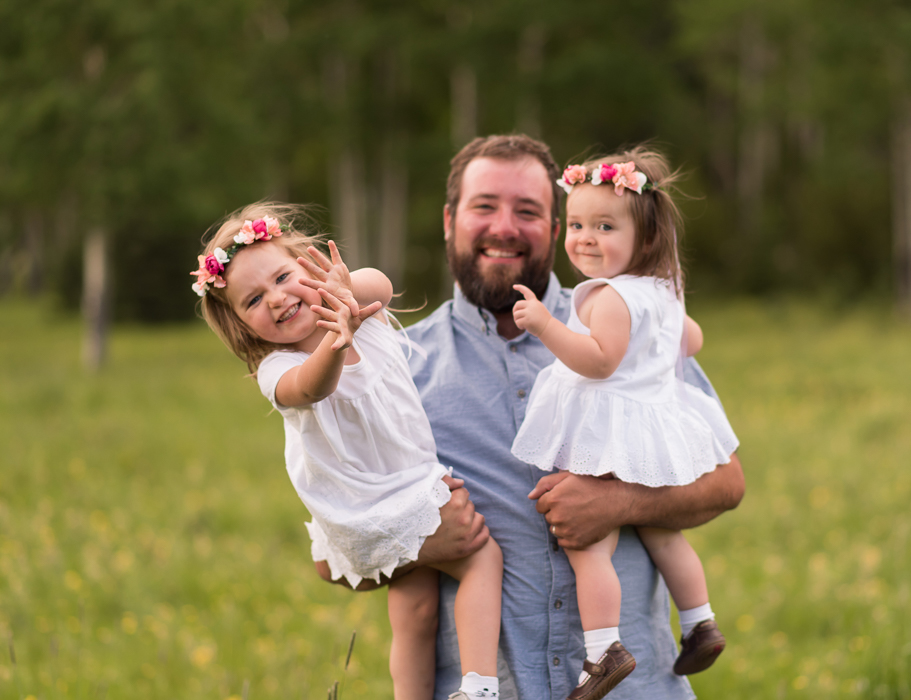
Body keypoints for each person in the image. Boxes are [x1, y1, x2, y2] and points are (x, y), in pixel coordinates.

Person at [406, 135, 745, 700]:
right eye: (484, 206)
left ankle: (618, 648)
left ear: (556, 228)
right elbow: (332, 549)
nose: (505, 226)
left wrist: (622, 502)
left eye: (528, 211)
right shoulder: (402, 366)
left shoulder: (625, 321)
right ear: (449, 220)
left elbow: (728, 481)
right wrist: (417, 541)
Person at [191, 203, 504, 700]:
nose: (275, 299)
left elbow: (378, 283)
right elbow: (310, 389)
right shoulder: (279, 368)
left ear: (310, 263)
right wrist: (335, 343)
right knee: (482, 558)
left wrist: (343, 295)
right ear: (242, 326)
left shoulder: (360, 311)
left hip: (402, 493)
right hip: (369, 506)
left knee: (415, 610)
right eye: (253, 300)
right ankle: (482, 686)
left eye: (283, 276)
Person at [509, 148, 737, 699]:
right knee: (664, 532)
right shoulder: (663, 291)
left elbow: (598, 360)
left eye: (605, 227)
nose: (586, 238)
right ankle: (701, 620)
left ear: (645, 239)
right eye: (580, 224)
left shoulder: (607, 297)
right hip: (653, 426)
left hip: (609, 433)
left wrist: (544, 325)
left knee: (590, 547)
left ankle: (603, 652)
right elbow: (693, 341)